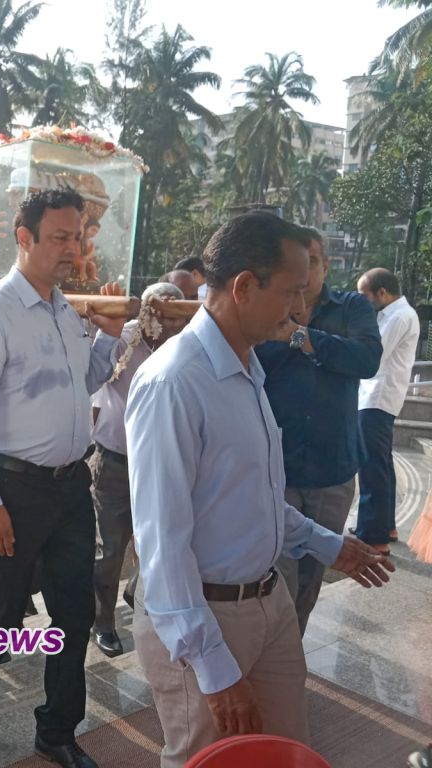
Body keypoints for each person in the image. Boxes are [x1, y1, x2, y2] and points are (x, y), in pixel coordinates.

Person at [126, 212, 394, 768]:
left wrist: (328, 544)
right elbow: (162, 543)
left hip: (268, 602)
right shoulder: (175, 382)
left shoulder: (248, 368)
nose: (300, 309)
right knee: (209, 758)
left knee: (285, 751)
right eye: (291, 292)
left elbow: (256, 499)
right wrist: (213, 668)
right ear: (245, 286)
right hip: (205, 614)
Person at [0, 189, 123, 767]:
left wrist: (111, 334)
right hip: (14, 490)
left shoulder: (64, 310)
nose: (72, 249)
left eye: (77, 237)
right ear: (24, 238)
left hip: (71, 487)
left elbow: (86, 380)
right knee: (3, 611)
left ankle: (57, 731)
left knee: (74, 611)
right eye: (59, 238)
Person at [256, 231, 382, 633]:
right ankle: (272, 649)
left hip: (332, 469)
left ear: (326, 266)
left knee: (313, 575)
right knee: (274, 573)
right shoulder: (267, 309)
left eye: (312, 261)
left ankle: (290, 649)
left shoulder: (352, 307)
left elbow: (367, 359)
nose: (304, 271)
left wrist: (299, 336)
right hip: (278, 469)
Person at [89, 281, 188, 659]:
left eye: (179, 316)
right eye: (165, 314)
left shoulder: (184, 347)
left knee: (162, 542)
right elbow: (92, 379)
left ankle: (136, 592)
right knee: (110, 550)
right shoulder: (123, 339)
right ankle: (103, 623)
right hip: (116, 461)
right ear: (148, 312)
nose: (171, 323)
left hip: (162, 464)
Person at [354, 267, 421, 554]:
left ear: (382, 292)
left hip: (378, 398)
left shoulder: (399, 317)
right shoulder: (393, 315)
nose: (362, 301)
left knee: (372, 466)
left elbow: (373, 358)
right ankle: (385, 526)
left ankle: (373, 535)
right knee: (380, 464)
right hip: (377, 397)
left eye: (364, 295)